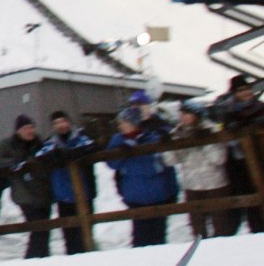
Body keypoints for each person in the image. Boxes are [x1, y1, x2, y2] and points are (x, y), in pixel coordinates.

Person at [106, 107, 177, 247]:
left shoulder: (153, 137)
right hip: (135, 196)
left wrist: (172, 191)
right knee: (140, 237)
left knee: (158, 235)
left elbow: (167, 165)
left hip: (158, 195)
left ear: (133, 122)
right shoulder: (117, 140)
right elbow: (112, 164)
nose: (120, 126)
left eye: (123, 122)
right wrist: (120, 152)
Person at [162, 101, 234, 238]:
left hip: (214, 184)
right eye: (182, 114)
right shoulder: (178, 132)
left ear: (197, 115)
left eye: (187, 114)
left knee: (220, 224)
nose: (183, 117)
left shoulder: (212, 129)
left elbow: (219, 159)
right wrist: (167, 146)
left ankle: (224, 250)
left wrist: (206, 142)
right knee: (197, 227)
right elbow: (170, 161)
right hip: (192, 186)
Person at [219, 74, 264, 233]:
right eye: (240, 90)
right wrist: (234, 131)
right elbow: (224, 138)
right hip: (240, 165)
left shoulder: (263, 108)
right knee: (247, 200)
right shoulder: (227, 113)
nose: (245, 93)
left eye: (247, 89)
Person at [34, 111, 96, 255]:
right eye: (56, 123)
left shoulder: (81, 138)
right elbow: (40, 156)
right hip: (63, 196)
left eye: (63, 121)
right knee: (70, 236)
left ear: (69, 122)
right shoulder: (51, 143)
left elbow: (92, 147)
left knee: (86, 233)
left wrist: (72, 154)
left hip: (84, 194)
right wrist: (56, 156)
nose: (60, 125)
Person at [0, 115, 51, 259]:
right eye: (26, 128)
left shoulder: (39, 143)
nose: (30, 131)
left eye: (32, 127)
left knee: (44, 229)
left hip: (43, 192)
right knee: (38, 228)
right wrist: (14, 163)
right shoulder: (8, 144)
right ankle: (33, 259)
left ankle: (42, 258)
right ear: (18, 131)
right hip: (24, 194)